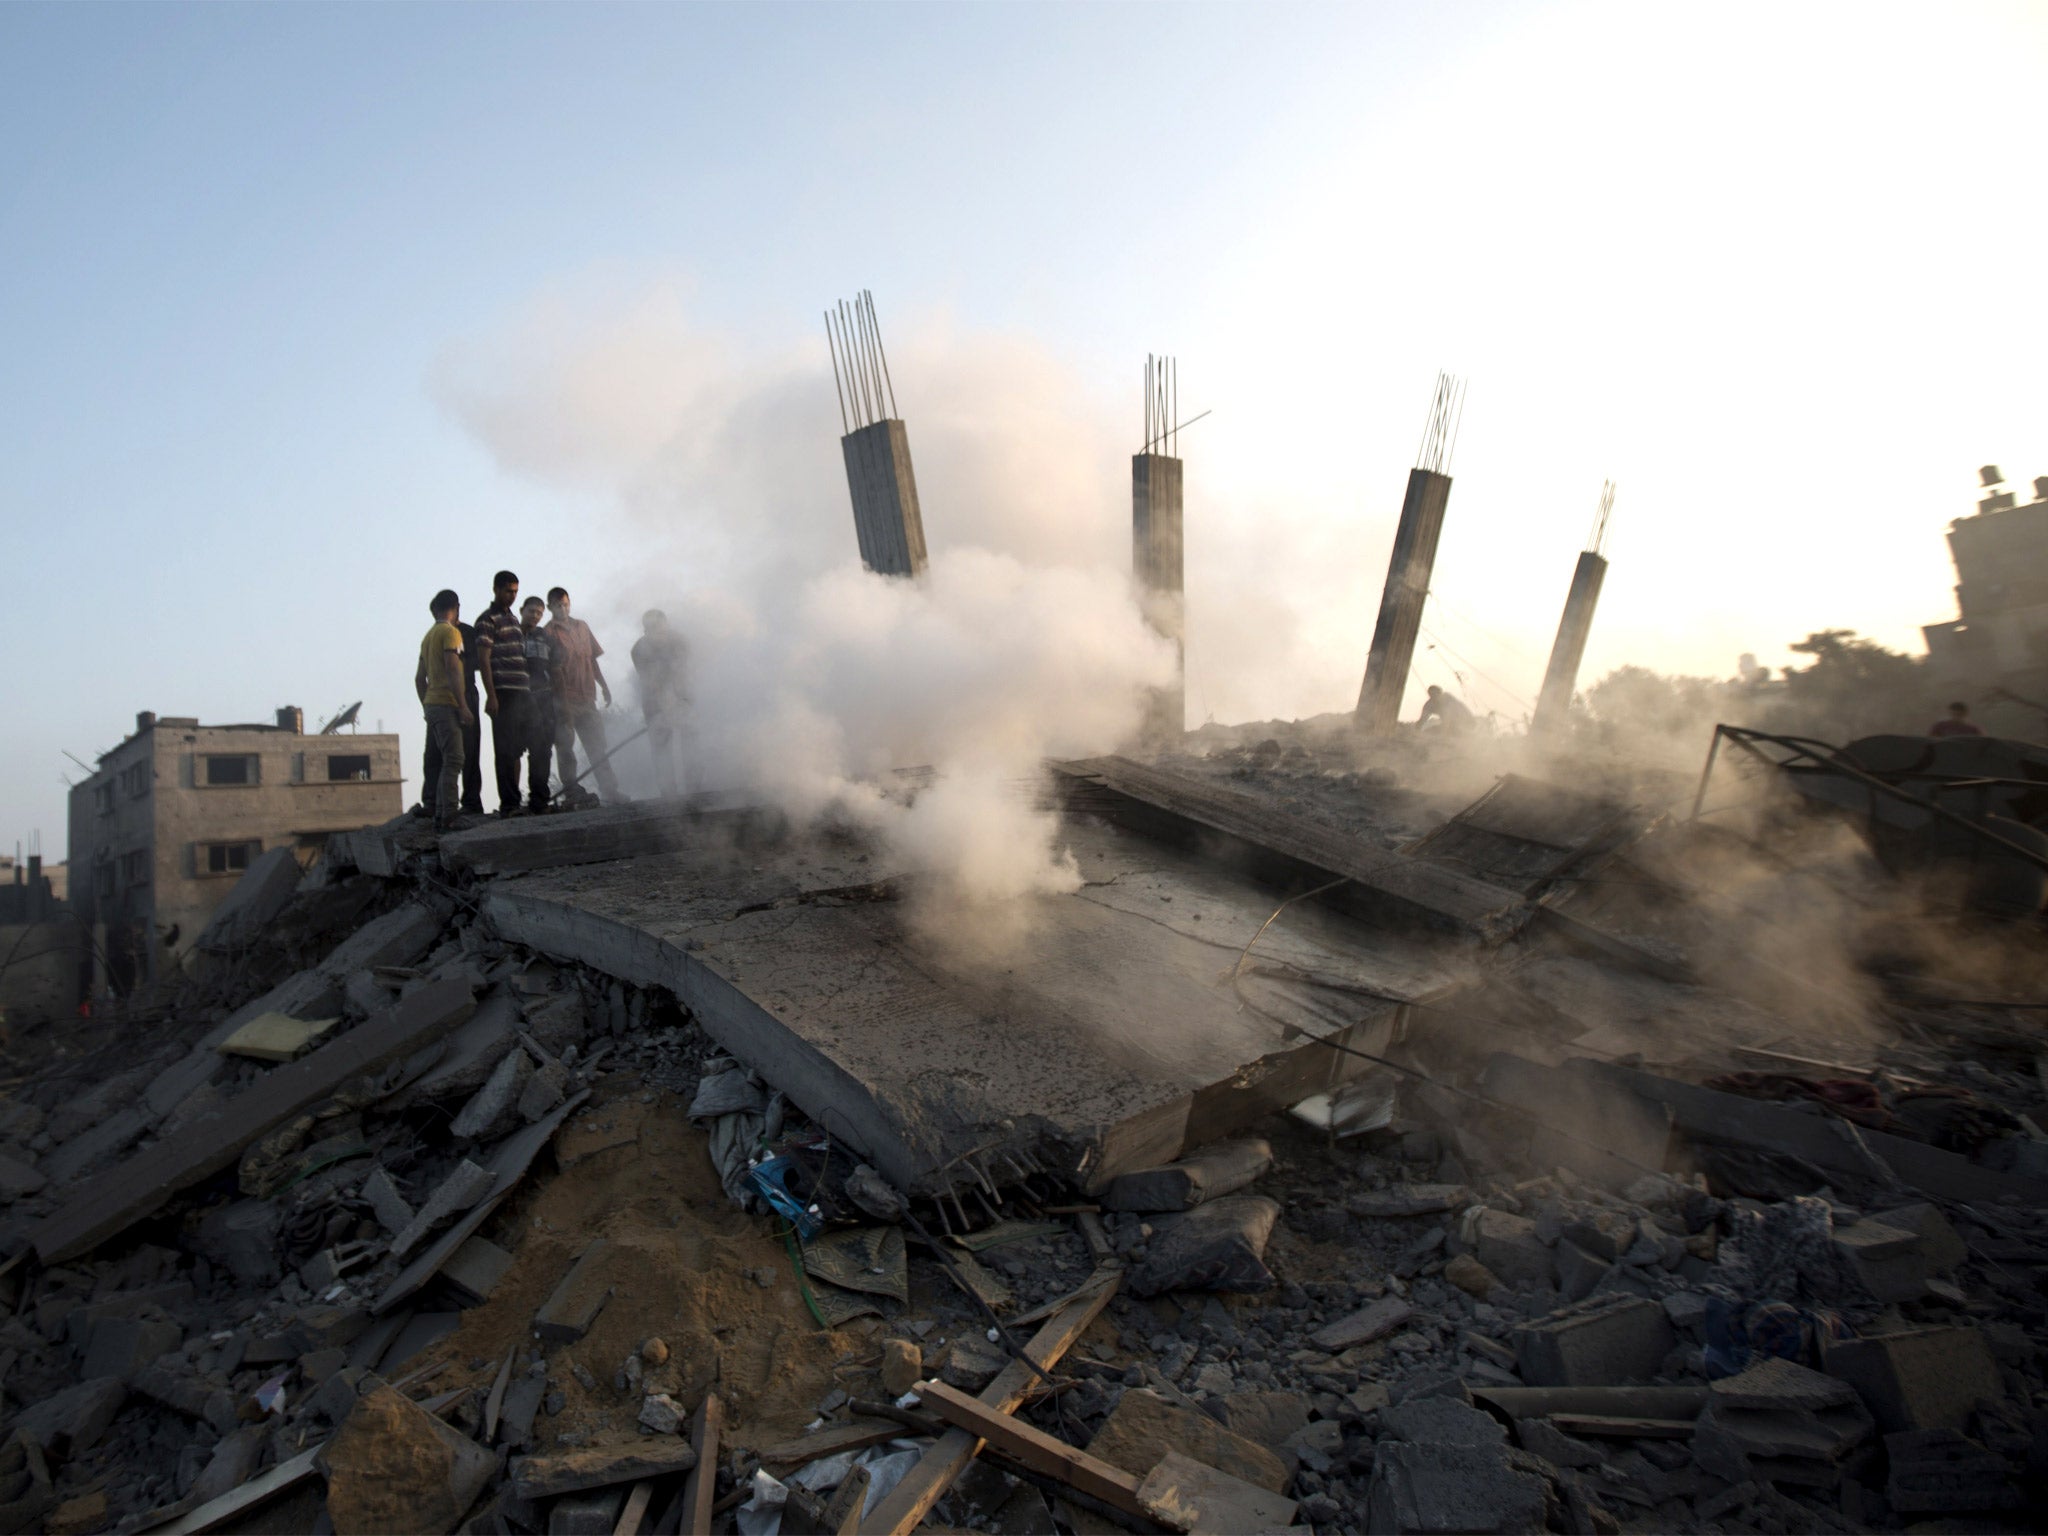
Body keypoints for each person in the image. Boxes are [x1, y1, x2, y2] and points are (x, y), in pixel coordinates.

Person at [545, 587, 623, 805]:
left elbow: (593, 659)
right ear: (550, 606)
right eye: (558, 605)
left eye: (565, 604)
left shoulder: (582, 627)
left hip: (587, 697)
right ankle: (572, 792)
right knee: (565, 748)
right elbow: (549, 671)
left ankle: (610, 790)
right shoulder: (548, 633)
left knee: (597, 745)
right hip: (564, 700)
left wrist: (604, 686)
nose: (562, 608)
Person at [473, 570, 533, 816]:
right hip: (503, 692)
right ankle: (509, 804)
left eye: (516, 591)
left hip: (522, 691)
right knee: (505, 750)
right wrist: (492, 695)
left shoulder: (513, 621)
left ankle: (522, 799)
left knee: (521, 746)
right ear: (496, 590)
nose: (513, 596)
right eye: (509, 591)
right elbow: (483, 659)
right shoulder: (487, 620)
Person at [415, 589, 475, 832]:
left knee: (442, 760)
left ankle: (441, 814)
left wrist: (427, 705)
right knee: (454, 759)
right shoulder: (451, 633)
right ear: (456, 607)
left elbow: (420, 679)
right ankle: (450, 814)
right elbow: (452, 669)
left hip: (432, 704)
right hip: (447, 704)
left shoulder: (428, 637)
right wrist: (462, 706)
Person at [631, 609, 689, 798]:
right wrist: (665, 706)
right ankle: (668, 792)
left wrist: (679, 699)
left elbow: (684, 671)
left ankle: (694, 786)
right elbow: (650, 681)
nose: (659, 634)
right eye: (653, 630)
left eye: (662, 629)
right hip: (654, 703)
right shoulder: (639, 649)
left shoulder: (679, 641)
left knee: (691, 736)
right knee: (661, 746)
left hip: (683, 697)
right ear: (646, 631)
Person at [518, 595, 558, 812]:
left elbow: (557, 669)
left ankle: (539, 799)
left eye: (539, 613)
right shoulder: (511, 634)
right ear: (522, 610)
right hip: (518, 698)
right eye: (531, 611)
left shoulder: (545, 638)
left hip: (543, 698)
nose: (535, 616)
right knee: (513, 750)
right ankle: (512, 803)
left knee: (542, 750)